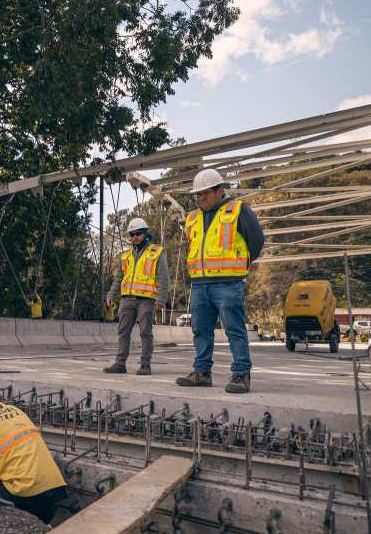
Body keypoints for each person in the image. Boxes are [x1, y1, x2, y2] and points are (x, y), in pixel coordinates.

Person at [176, 168, 264, 393]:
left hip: (228, 283)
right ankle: (202, 372)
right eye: (198, 194)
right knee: (200, 330)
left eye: (205, 193)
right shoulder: (192, 218)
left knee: (234, 329)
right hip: (200, 283)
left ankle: (241, 375)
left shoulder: (237, 210)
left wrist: (239, 264)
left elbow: (256, 240)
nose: (201, 198)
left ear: (220, 191)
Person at [104, 217, 169, 375]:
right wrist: (112, 293)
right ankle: (120, 364)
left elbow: (164, 278)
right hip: (127, 299)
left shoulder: (157, 253)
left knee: (145, 332)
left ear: (145, 233)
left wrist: (161, 300)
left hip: (146, 300)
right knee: (123, 331)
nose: (134, 238)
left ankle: (145, 365)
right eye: (131, 235)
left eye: (137, 234)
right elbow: (119, 278)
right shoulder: (125, 256)